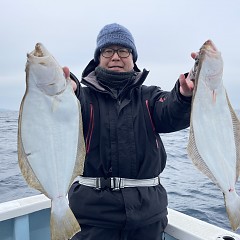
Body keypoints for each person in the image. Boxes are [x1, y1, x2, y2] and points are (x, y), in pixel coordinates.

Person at [64, 23, 195, 240]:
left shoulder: (150, 98)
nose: (116, 57)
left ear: (133, 57)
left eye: (123, 50)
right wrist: (64, 93)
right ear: (98, 57)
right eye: (108, 51)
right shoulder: (83, 99)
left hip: (147, 218)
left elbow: (171, 110)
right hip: (92, 219)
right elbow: (67, 109)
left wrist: (183, 95)